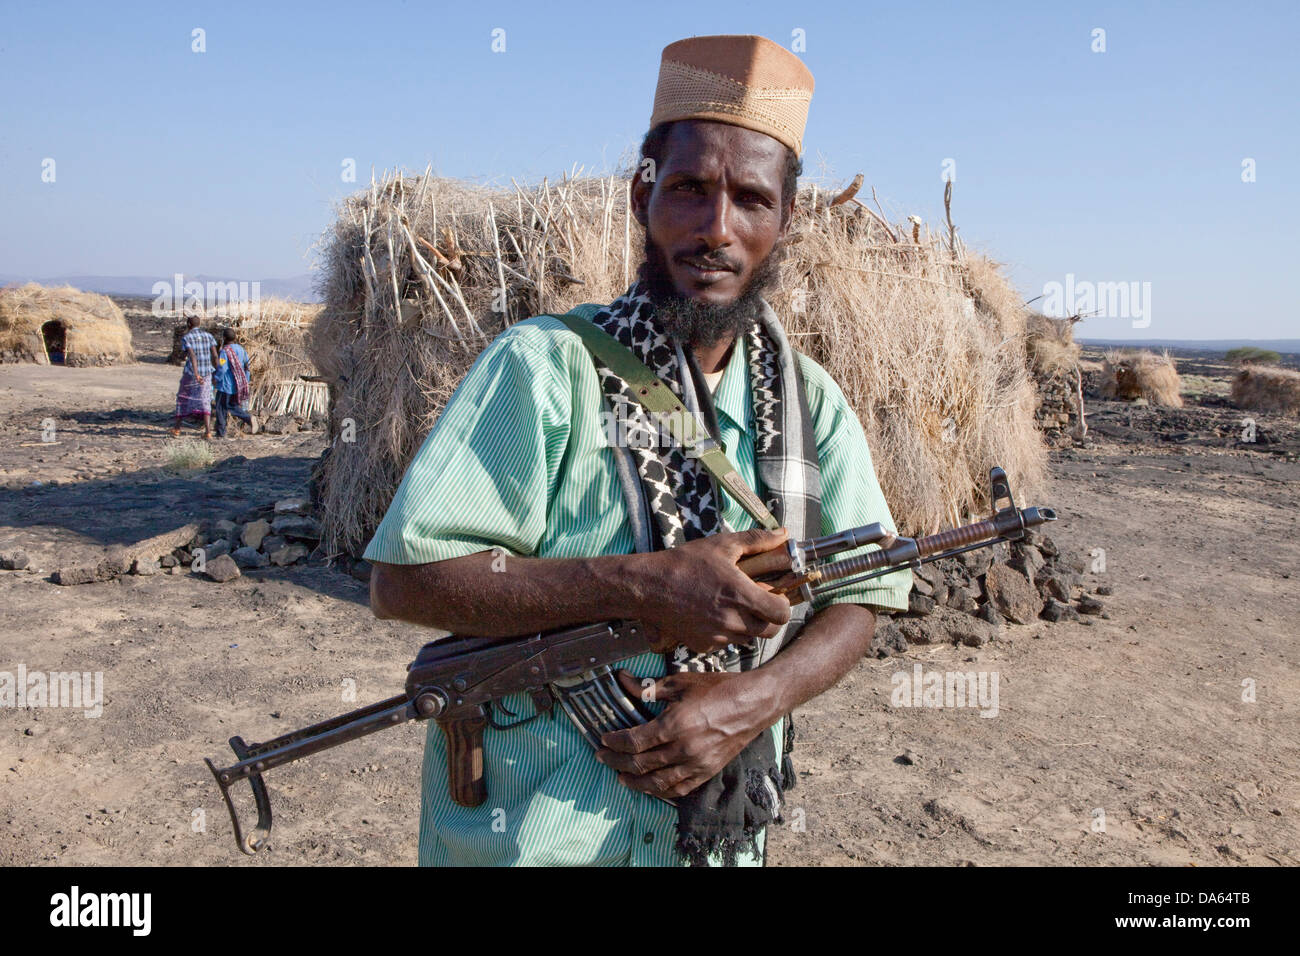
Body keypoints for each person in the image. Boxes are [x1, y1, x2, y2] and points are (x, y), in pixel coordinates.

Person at [366, 35, 911, 866]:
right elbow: (405, 581)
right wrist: (644, 583)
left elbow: (867, 589)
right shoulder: (544, 369)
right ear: (641, 197)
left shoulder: (811, 402)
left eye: (750, 200)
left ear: (785, 222)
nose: (715, 230)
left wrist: (753, 700)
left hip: (720, 838)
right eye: (690, 189)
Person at [171, 314, 219, 439]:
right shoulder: (209, 336)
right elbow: (215, 355)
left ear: (188, 325)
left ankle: (177, 428)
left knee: (183, 398)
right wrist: (218, 371)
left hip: (192, 373)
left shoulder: (187, 337)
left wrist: (196, 374)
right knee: (205, 399)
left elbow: (192, 356)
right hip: (207, 373)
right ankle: (208, 432)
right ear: (199, 324)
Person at [213, 328, 258, 438]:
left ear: (224, 338)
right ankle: (247, 418)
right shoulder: (241, 350)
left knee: (220, 408)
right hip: (238, 385)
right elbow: (247, 366)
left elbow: (222, 368)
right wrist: (246, 381)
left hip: (226, 385)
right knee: (232, 406)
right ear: (235, 338)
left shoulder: (224, 351)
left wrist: (216, 378)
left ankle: (221, 433)